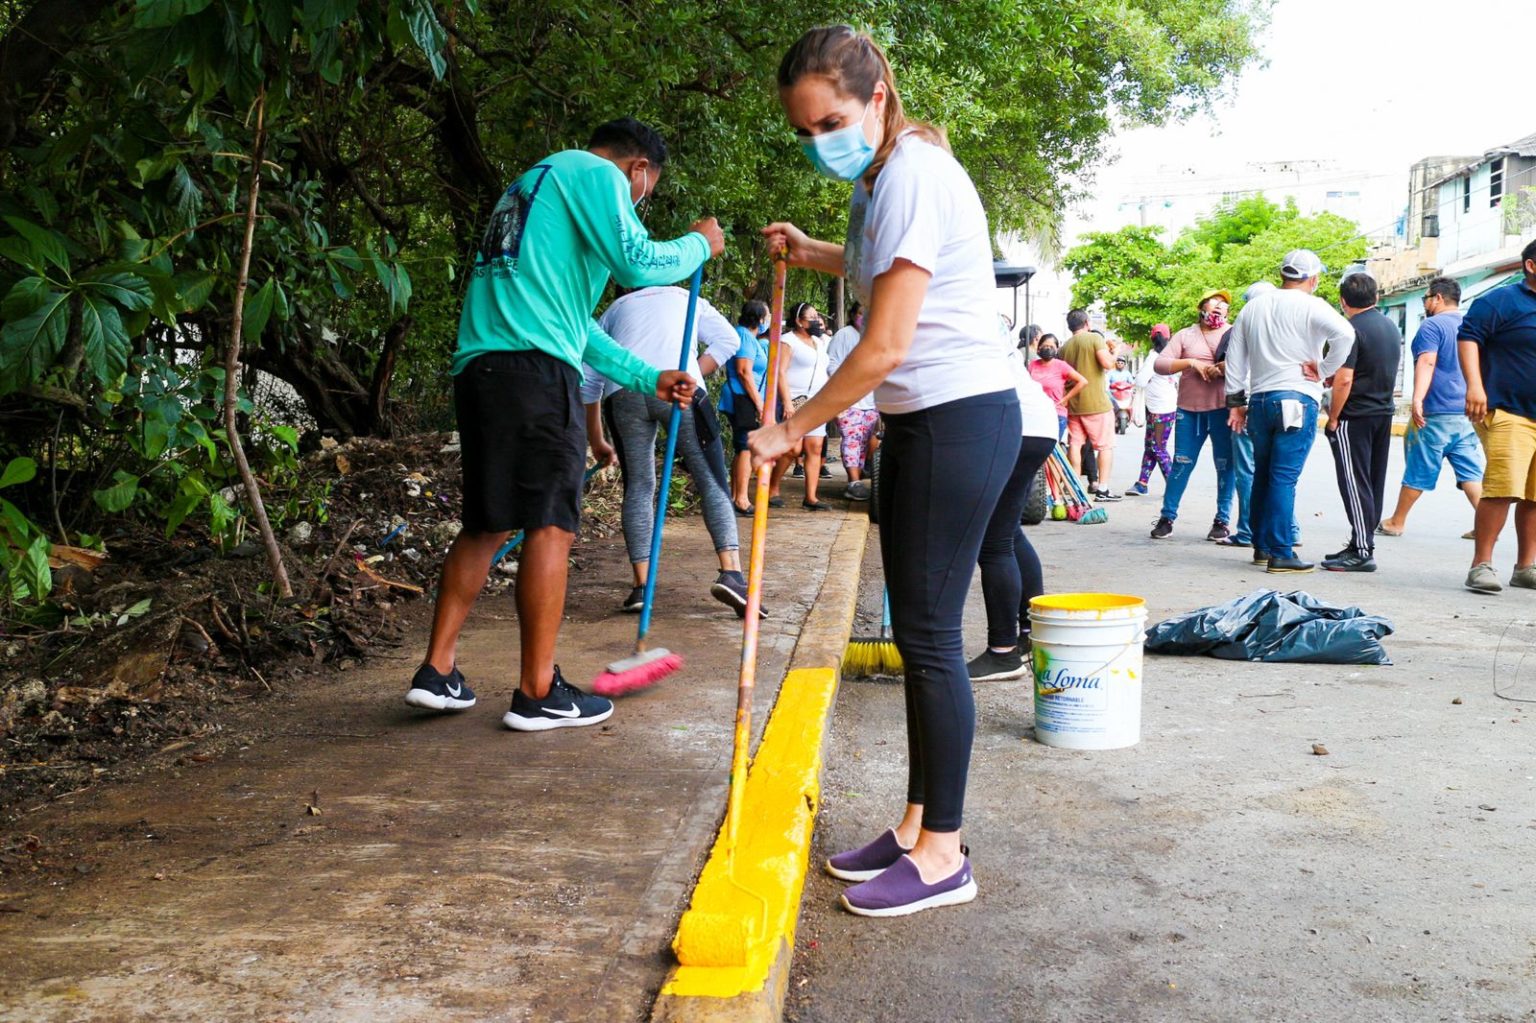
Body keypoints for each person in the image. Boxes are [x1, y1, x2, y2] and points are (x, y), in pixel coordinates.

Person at [753, 24, 1019, 916]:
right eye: (803, 131)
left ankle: (944, 855)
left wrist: (790, 428)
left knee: (934, 637)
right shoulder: (880, 176)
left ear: (875, 98)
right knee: (919, 636)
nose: (817, 142)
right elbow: (887, 273)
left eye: (829, 122)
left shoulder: (912, 173)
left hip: (958, 416)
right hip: (918, 422)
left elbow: (885, 343)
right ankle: (914, 826)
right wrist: (813, 250)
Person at [407, 117, 723, 730]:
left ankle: (437, 671)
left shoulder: (532, 186)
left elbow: (576, 326)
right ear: (637, 169)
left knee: (488, 522)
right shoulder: (597, 173)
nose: (637, 205)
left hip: (484, 368)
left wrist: (647, 376)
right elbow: (638, 262)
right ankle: (538, 691)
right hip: (535, 372)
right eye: (644, 194)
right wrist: (697, 245)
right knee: (551, 523)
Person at [583, 285, 761, 617]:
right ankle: (732, 574)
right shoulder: (686, 298)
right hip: (680, 386)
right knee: (711, 480)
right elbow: (729, 340)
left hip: (624, 392)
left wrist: (597, 440)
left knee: (638, 486)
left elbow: (590, 379)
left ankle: (641, 585)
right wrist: (693, 371)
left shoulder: (612, 311)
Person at [1225, 250, 1354, 574]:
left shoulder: (1253, 307)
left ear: (1283, 274)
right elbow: (1346, 334)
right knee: (1283, 477)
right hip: (1296, 399)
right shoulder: (1313, 305)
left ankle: (1261, 546)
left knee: (1262, 474)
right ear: (1313, 278)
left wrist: (1235, 403)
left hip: (1260, 401)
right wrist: (1324, 369)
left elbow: (1235, 359)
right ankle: (1282, 552)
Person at [966, 346, 1060, 681]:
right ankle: (1029, 634)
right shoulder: (982, 323)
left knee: (993, 541)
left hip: (1011, 424)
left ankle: (1003, 653)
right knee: (1008, 533)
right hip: (1037, 423)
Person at [1377, 277, 1484, 539]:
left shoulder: (1432, 326)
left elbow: (1427, 362)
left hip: (1437, 410)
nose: (1425, 303)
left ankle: (1397, 521)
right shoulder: (1471, 324)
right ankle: (1486, 525)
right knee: (1470, 473)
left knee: (1419, 467)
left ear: (1438, 298)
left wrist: (1417, 399)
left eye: (1426, 297)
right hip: (1466, 412)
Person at [1460, 238, 1536, 594]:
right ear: (1531, 266)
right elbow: (1468, 337)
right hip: (1507, 409)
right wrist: (1475, 386)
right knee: (1503, 489)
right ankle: (1481, 564)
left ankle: (1526, 567)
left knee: (1534, 496)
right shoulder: (1501, 301)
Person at [1322, 271, 1402, 572]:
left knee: (1354, 483)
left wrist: (1333, 417)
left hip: (1355, 414)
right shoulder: (1389, 326)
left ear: (1343, 301)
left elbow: (1344, 379)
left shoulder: (1349, 330)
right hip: (1382, 411)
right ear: (1376, 297)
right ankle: (1360, 542)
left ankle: (1363, 550)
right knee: (1371, 482)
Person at [1149, 289, 1236, 541]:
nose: (1218, 307)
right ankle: (1167, 517)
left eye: (1223, 304)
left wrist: (1224, 368)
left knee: (1225, 465)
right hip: (1189, 410)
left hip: (1223, 410)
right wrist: (1191, 363)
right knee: (1181, 463)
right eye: (1213, 302)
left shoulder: (1235, 333)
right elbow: (1160, 364)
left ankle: (1222, 521)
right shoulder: (1185, 335)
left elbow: (1249, 365)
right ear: (1201, 308)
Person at [771, 301, 834, 510]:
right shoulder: (788, 341)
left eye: (817, 316)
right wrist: (787, 402)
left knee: (815, 447)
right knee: (793, 447)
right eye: (811, 317)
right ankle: (772, 487)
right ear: (799, 321)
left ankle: (811, 497)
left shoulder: (819, 342)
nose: (816, 320)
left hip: (817, 401)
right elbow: (780, 372)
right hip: (796, 399)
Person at [721, 300, 773, 515]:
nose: (769, 320)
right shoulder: (744, 336)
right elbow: (744, 371)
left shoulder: (751, 338)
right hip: (742, 397)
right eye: (767, 316)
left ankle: (736, 496)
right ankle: (741, 499)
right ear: (759, 318)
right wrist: (759, 403)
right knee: (746, 446)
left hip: (746, 397)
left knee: (743, 446)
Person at [1061, 309, 1119, 498]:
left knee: (1075, 445)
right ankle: (1103, 489)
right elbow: (1107, 364)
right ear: (1087, 322)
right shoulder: (1094, 338)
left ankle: (1075, 488)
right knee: (1105, 446)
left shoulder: (1064, 347)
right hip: (1097, 404)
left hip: (1073, 405)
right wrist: (1115, 352)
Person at [829, 301, 879, 500]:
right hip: (849, 400)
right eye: (860, 313)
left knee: (865, 442)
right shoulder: (844, 335)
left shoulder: (874, 335)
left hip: (871, 401)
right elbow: (831, 364)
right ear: (852, 315)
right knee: (851, 440)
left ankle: (857, 478)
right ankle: (853, 482)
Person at [1128, 323, 1177, 496]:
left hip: (1159, 410)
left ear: (1152, 337)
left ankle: (1174, 485)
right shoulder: (1171, 356)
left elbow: (1140, 381)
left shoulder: (1154, 357)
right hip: (1166, 407)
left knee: (1157, 447)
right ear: (1168, 337)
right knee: (1151, 446)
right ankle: (1142, 484)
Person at [1027, 333, 1086, 440]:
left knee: (1051, 448)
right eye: (1045, 346)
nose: (1048, 349)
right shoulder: (1032, 365)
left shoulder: (1061, 365)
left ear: (1057, 349)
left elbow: (1082, 381)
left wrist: (1065, 399)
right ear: (1039, 347)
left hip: (1056, 414)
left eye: (1051, 347)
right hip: (1036, 413)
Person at [1107, 355, 1135, 434]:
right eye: (1118, 362)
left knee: (1132, 399)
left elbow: (1132, 383)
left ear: (1124, 364)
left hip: (1124, 393)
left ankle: (1132, 417)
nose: (1120, 364)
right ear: (1116, 363)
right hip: (1113, 393)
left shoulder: (1127, 373)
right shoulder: (1111, 373)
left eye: (1121, 363)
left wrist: (1133, 387)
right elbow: (1106, 382)